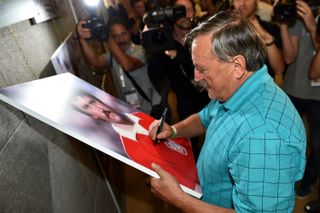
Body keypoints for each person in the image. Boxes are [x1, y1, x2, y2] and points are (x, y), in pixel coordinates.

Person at [148, 11, 306, 212]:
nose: (197, 77)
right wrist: (174, 131)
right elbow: (205, 118)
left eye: (202, 69)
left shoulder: (263, 137)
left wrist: (179, 200)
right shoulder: (236, 88)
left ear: (237, 66)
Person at [72, 91, 200, 190]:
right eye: (87, 107)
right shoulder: (130, 147)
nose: (98, 108)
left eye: (93, 101)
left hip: (199, 159)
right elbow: (182, 181)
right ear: (93, 116)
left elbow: (179, 141)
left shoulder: (138, 116)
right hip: (199, 181)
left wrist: (173, 132)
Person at [278, 0, 320, 198]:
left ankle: (309, 181)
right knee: (286, 139)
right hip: (292, 88)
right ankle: (287, 179)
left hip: (317, 95)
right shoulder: (296, 15)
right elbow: (288, 58)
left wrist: (313, 27)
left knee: (317, 145)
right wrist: (284, 24)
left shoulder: (312, 19)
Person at [77, 17, 161, 115]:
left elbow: (128, 65)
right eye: (115, 36)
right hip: (131, 112)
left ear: (129, 32)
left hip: (151, 108)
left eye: (123, 34)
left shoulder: (141, 50)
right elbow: (95, 62)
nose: (121, 39)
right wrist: (82, 40)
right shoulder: (113, 55)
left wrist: (108, 38)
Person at [233, 0, 285, 77]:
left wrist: (266, 37)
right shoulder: (224, 29)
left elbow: (279, 69)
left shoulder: (270, 29)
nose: (242, 4)